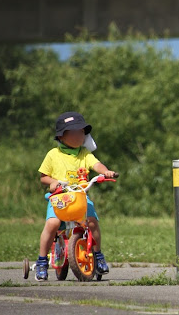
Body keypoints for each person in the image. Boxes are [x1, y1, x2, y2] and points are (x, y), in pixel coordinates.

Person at [35, 111, 118, 282]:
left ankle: (98, 255)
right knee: (53, 223)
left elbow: (97, 164)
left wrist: (106, 172)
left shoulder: (84, 154)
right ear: (61, 136)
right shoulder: (53, 155)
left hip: (79, 196)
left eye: (81, 132)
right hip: (60, 197)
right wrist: (53, 182)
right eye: (73, 132)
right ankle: (42, 260)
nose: (79, 136)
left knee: (92, 221)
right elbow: (43, 177)